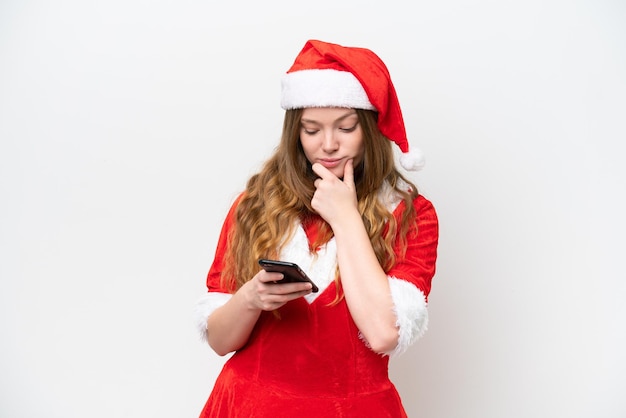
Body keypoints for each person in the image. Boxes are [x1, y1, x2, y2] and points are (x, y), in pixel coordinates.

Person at [195, 39, 439, 418]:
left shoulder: (411, 214)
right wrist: (250, 298)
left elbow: (383, 333)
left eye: (346, 127)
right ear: (296, 133)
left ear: (371, 129)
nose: (328, 145)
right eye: (311, 130)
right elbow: (219, 341)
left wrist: (345, 219)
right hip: (249, 405)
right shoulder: (255, 202)